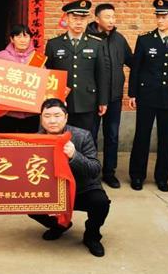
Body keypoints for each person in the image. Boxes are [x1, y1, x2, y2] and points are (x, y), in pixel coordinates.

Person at [28, 98, 111, 257]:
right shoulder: (33, 140)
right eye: (47, 116)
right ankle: (60, 225)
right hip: (51, 191)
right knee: (28, 204)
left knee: (100, 203)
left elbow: (95, 169)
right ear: (41, 118)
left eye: (57, 115)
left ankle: (92, 236)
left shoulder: (82, 136)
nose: (52, 121)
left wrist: (74, 155)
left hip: (81, 189)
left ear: (66, 117)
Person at [128, 0, 168, 192]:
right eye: (158, 16)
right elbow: (136, 69)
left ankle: (162, 177)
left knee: (166, 139)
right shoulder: (145, 40)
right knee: (142, 136)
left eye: (164, 17)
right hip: (147, 95)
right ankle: (137, 176)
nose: (160, 20)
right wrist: (132, 94)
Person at [86, 3, 132, 189]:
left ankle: (109, 173)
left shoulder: (119, 39)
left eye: (113, 17)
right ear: (97, 19)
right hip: (92, 98)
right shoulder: (87, 38)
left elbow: (132, 61)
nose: (112, 20)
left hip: (114, 98)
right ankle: (91, 173)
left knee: (112, 136)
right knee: (90, 137)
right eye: (107, 17)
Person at [45, 0, 110, 131]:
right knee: (60, 137)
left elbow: (102, 74)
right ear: (67, 19)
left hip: (87, 100)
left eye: (83, 19)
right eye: (75, 18)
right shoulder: (54, 44)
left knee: (87, 137)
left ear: (87, 21)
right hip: (61, 102)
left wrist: (103, 101)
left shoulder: (96, 44)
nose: (79, 22)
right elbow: (48, 73)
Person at [0, 24, 43, 133]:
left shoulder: (38, 58)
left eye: (26, 36)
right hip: (7, 112)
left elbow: (44, 83)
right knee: (5, 142)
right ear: (12, 39)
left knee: (29, 142)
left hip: (30, 113)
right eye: (18, 36)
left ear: (30, 39)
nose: (22, 40)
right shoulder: (1, 56)